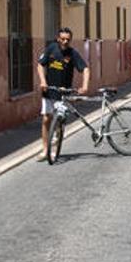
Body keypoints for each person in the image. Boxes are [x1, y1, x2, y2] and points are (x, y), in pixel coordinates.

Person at [37, 27, 90, 161]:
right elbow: (40, 65)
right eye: (63, 39)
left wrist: (85, 86)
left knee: (60, 122)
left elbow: (85, 69)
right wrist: (43, 81)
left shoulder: (72, 54)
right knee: (45, 119)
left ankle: (55, 149)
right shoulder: (51, 49)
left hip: (63, 93)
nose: (65, 41)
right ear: (58, 38)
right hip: (49, 90)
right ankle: (45, 150)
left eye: (68, 39)